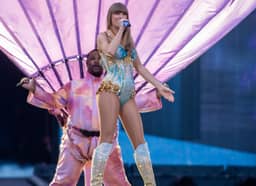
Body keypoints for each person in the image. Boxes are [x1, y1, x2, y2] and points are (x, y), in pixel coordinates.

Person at [91, 2, 175, 186]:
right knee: (107, 137)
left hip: (128, 93)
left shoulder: (129, 43)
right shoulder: (103, 37)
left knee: (140, 141)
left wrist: (159, 86)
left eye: (123, 14)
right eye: (117, 14)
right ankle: (96, 183)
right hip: (110, 90)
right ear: (110, 17)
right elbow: (110, 52)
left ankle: (150, 184)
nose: (121, 17)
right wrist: (121, 30)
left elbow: (140, 67)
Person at [18, 49, 131, 186]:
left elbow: (132, 104)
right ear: (87, 63)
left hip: (105, 143)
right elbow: (54, 101)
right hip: (76, 142)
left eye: (100, 59)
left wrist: (155, 94)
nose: (96, 61)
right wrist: (35, 89)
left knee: (118, 184)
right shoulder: (73, 86)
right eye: (92, 59)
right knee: (63, 182)